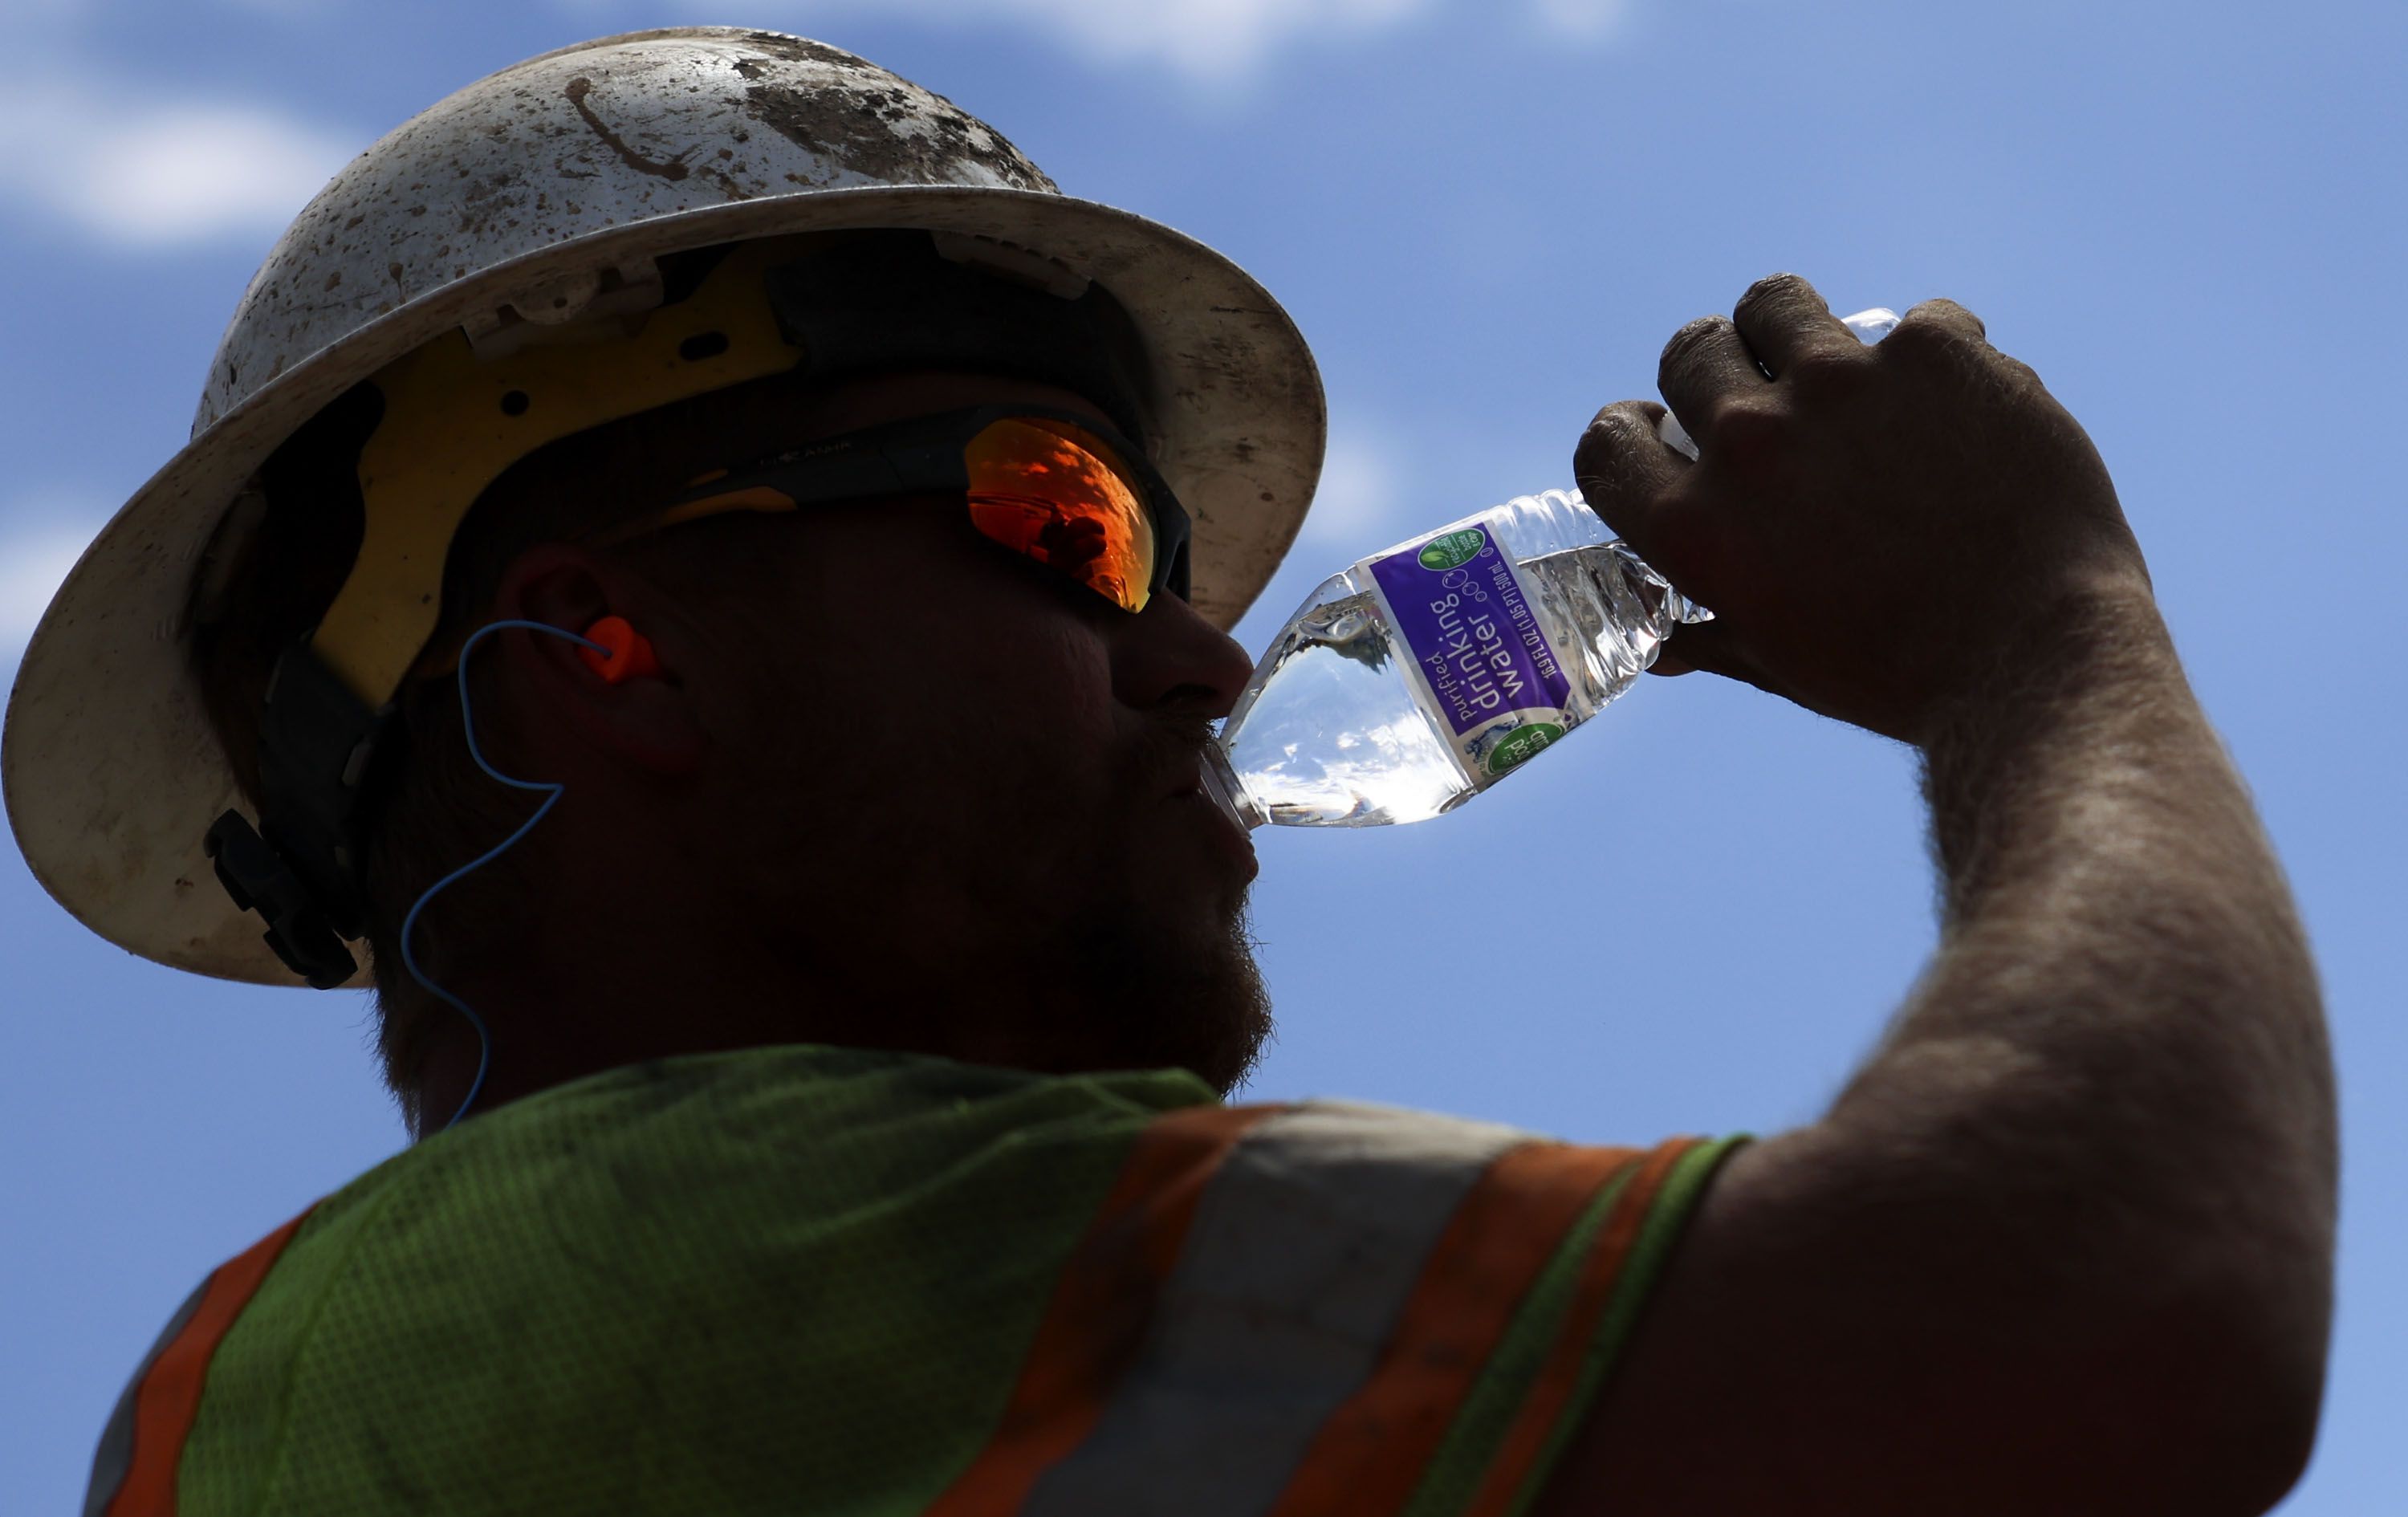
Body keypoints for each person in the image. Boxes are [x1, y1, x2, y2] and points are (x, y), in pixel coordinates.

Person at [5, 27, 2332, 1517]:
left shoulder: (258, 1391)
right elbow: (2098, 1324)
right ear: (614, 658)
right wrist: (2049, 635)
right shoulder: (793, 1245)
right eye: (1061, 521)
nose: (1205, 655)